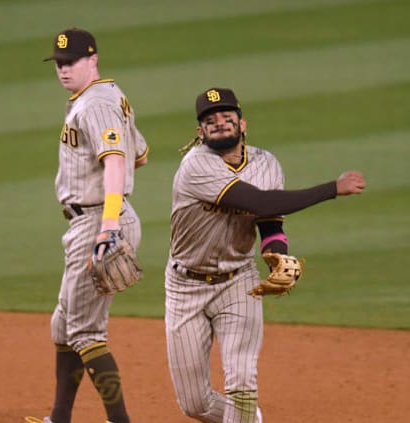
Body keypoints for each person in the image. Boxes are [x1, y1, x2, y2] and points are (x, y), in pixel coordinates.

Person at [164, 87, 366, 422]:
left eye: (226, 117)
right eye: (209, 120)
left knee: (242, 381)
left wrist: (276, 255)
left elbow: (269, 222)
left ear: (242, 124)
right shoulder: (196, 166)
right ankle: (248, 419)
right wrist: (333, 188)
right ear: (200, 132)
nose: (218, 123)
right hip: (186, 285)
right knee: (195, 404)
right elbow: (262, 203)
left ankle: (242, 415)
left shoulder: (266, 163)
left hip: (238, 282)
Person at [26, 28, 150, 423]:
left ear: (93, 60)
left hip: (99, 221)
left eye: (72, 62)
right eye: (59, 63)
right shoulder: (108, 96)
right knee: (63, 324)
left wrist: (108, 226)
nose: (63, 70)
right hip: (97, 218)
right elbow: (139, 154)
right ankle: (58, 419)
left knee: (86, 334)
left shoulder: (95, 105)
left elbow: (116, 161)